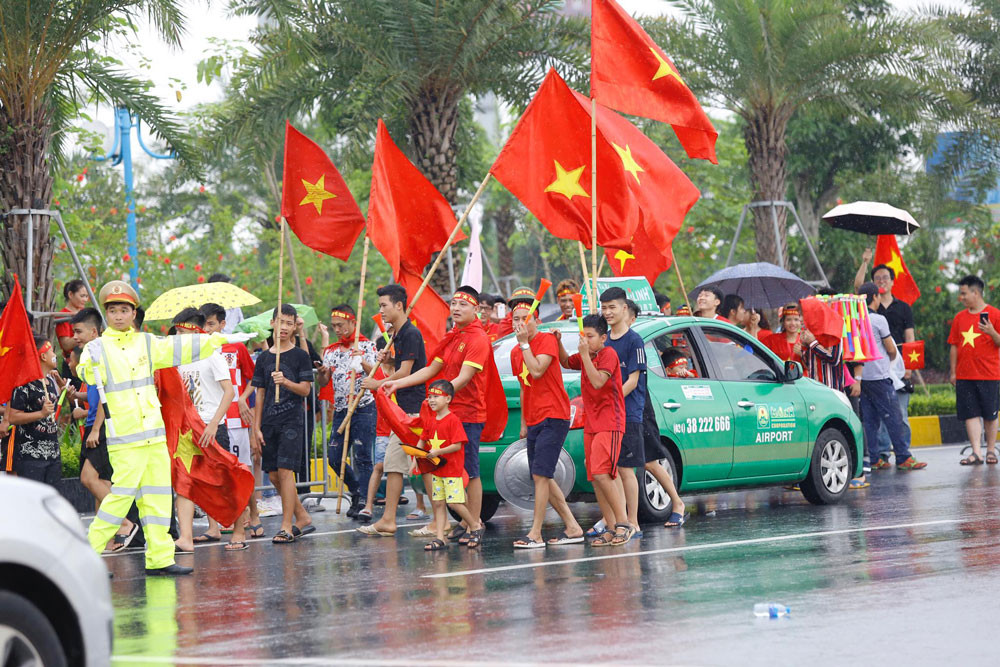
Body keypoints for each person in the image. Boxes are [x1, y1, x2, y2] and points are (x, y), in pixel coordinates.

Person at [77, 280, 232, 576]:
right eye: (113, 311)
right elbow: (85, 371)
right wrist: (89, 363)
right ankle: (87, 558)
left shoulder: (147, 343)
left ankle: (160, 558)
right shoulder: (98, 347)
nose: (119, 316)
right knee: (119, 500)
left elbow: (181, 347)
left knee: (158, 499)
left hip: (154, 438)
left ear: (133, 313)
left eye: (124, 310)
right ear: (106, 314)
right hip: (126, 440)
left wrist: (218, 340)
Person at [382, 285, 491, 548]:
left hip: (468, 413)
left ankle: (473, 523)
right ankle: (463, 522)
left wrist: (438, 397)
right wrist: (398, 382)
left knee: (470, 471)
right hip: (447, 412)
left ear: (475, 309)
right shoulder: (453, 336)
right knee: (450, 471)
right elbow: (432, 369)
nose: (456, 308)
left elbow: (464, 378)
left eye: (463, 304)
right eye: (453, 303)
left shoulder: (477, 338)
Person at [508, 289, 583, 548]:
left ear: (537, 321)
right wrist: (523, 423)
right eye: (515, 319)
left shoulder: (546, 340)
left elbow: (538, 370)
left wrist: (525, 345)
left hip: (554, 415)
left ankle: (535, 533)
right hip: (534, 419)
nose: (519, 323)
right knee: (542, 476)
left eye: (524, 318)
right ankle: (572, 526)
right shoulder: (515, 352)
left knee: (541, 475)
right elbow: (524, 385)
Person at [169, 308, 247, 553]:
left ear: (194, 331)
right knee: (184, 482)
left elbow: (229, 392)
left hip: (212, 428)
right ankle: (186, 537)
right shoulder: (177, 359)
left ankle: (239, 531)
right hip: (188, 431)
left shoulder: (212, 354)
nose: (177, 336)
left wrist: (214, 424)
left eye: (181, 332)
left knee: (226, 481)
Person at [359, 283, 429, 537]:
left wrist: (378, 384)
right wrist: (388, 360)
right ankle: (390, 519)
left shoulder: (410, 333)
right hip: (403, 411)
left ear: (399, 306)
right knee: (397, 464)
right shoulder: (398, 334)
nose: (381, 310)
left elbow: (406, 372)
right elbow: (402, 365)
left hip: (411, 412)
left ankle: (446, 518)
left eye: (384, 305)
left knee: (418, 465)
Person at [557, 314, 629, 547]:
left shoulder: (608, 354)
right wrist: (558, 342)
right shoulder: (587, 354)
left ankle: (624, 523)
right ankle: (610, 526)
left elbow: (598, 381)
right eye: (584, 336)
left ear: (603, 338)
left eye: (590, 336)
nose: (586, 341)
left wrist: (585, 355)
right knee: (596, 477)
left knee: (601, 473)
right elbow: (566, 362)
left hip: (611, 421)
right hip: (592, 422)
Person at [71, 308, 139, 551]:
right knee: (101, 483)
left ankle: (125, 523)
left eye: (78, 331)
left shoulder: (102, 353)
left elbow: (105, 395)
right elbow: (94, 393)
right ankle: (107, 539)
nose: (74, 337)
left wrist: (96, 428)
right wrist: (77, 395)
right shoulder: (91, 354)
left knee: (89, 479)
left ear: (93, 332)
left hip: (102, 427)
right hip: (96, 424)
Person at [251, 304, 315, 543]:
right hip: (269, 423)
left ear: (295, 326)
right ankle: (302, 516)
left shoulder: (300, 356)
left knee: (286, 472)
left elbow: (306, 390)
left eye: (289, 323)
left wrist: (286, 381)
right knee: (274, 476)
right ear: (273, 323)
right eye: (281, 322)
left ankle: (286, 526)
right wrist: (256, 428)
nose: (285, 327)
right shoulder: (264, 358)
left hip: (292, 421)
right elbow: (259, 394)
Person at [202, 302, 262, 537]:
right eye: (204, 324)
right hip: (209, 420)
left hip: (235, 419)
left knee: (241, 470)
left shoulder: (236, 347)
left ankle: (253, 515)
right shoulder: (198, 350)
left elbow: (254, 377)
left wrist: (244, 399)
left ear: (223, 324)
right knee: (215, 472)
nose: (207, 329)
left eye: (211, 324)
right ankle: (220, 522)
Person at [856, 283, 926, 471]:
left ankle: (875, 458)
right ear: (875, 297)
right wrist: (893, 358)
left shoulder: (855, 319)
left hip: (863, 377)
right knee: (894, 417)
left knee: (870, 421)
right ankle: (903, 457)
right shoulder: (878, 319)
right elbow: (890, 348)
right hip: (880, 375)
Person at [317, 304, 377, 520]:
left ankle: (363, 502)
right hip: (341, 410)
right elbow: (324, 381)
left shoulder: (367, 346)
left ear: (353, 322)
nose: (337, 329)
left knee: (363, 456)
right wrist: (322, 372)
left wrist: (362, 360)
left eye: (340, 325)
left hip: (364, 407)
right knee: (334, 457)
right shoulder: (331, 351)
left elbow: (377, 374)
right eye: (334, 326)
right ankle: (356, 490)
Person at [598, 287, 645, 539]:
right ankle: (618, 521)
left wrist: (612, 401)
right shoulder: (603, 339)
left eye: (612, 307)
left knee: (627, 469)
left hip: (628, 413)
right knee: (610, 469)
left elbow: (633, 381)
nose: (607, 312)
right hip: (607, 415)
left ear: (624, 308)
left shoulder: (635, 341)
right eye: (604, 308)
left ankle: (634, 522)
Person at [419, 380, 483, 551]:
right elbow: (423, 438)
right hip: (437, 471)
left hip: (452, 471)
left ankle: (475, 526)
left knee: (454, 503)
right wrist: (416, 457)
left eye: (436, 396)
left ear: (448, 399)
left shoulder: (453, 420)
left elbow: (458, 445)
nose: (432, 400)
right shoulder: (431, 420)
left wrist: (438, 452)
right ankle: (440, 538)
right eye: (430, 396)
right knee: (439, 503)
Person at [949, 275, 1000, 466]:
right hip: (965, 375)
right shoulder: (959, 318)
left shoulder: (995, 314)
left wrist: (992, 332)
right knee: (970, 414)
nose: (961, 297)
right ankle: (976, 452)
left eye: (964, 293)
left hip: (989, 374)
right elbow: (954, 346)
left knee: (990, 414)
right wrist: (953, 372)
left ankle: (991, 450)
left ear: (976, 293)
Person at [7, 336, 62, 485]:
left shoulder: (51, 381)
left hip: (53, 455)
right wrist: (40, 414)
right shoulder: (24, 383)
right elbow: (13, 417)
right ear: (43, 356)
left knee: (53, 496)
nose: (55, 355)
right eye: (52, 352)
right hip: (30, 456)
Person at [55, 279, 90, 366]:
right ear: (70, 294)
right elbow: (66, 345)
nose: (85, 299)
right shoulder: (62, 315)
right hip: (72, 362)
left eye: (87, 296)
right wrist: (86, 335)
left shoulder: (85, 312)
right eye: (82, 296)